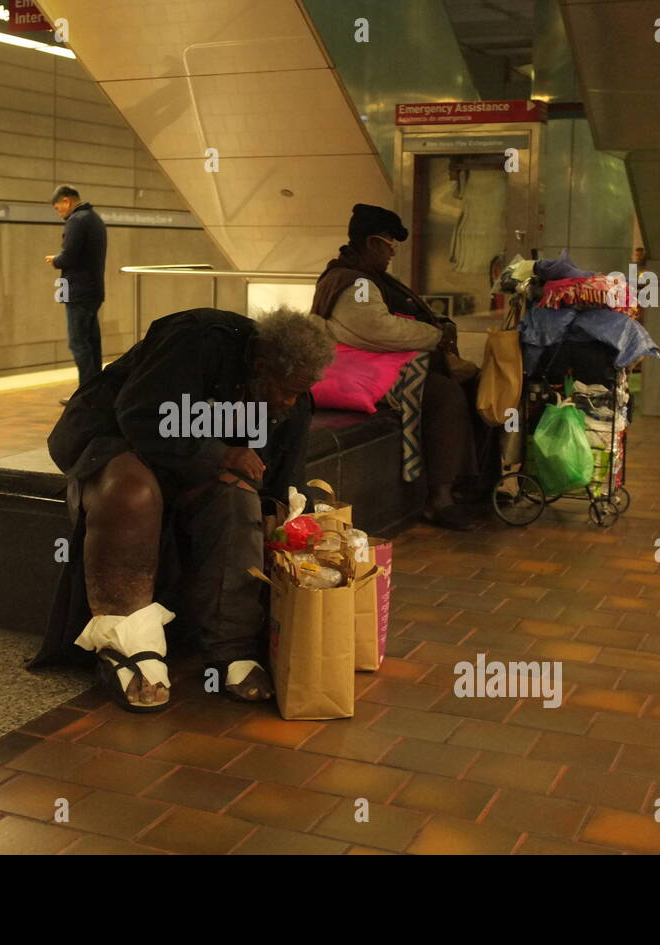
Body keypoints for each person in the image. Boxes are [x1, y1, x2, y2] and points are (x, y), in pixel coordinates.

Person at [28, 307, 335, 711]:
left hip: (185, 458)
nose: (291, 402)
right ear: (261, 367)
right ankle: (127, 642)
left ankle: (232, 646)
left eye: (301, 393)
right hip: (113, 437)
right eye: (287, 391)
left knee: (238, 495)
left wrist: (286, 527)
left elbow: (283, 481)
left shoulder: (290, 394)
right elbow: (141, 416)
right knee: (133, 494)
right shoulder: (196, 341)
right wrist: (220, 454)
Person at [311, 203, 496, 531]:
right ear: (371, 243)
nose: (392, 254)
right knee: (445, 395)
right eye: (389, 245)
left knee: (471, 383)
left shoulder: (361, 277)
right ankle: (439, 498)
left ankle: (469, 482)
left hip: (375, 367)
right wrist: (434, 334)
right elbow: (379, 330)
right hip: (362, 375)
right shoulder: (357, 284)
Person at [44, 185, 107, 406]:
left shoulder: (76, 221)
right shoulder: (95, 219)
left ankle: (86, 395)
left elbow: (69, 256)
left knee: (78, 342)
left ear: (67, 201)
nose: (58, 211)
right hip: (93, 290)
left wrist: (56, 260)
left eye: (57, 207)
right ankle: (97, 392)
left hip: (78, 292)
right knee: (91, 342)